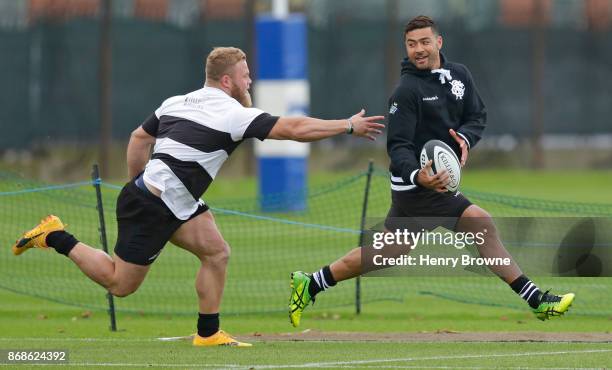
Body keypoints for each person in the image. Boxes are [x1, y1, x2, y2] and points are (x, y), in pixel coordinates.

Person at [11, 47, 384, 347]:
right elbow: (292, 128)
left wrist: (139, 181)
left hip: (173, 201)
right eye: (245, 74)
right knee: (119, 284)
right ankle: (55, 235)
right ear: (227, 80)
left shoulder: (178, 101)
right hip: (155, 205)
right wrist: (347, 125)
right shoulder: (233, 115)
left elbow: (139, 138)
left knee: (217, 252)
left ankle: (207, 333)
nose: (249, 78)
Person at [288, 16, 574, 327]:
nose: (418, 49)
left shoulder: (459, 75)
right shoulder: (406, 92)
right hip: (418, 188)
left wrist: (465, 139)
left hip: (434, 184)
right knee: (481, 223)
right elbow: (398, 146)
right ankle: (537, 301)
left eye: (425, 42)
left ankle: (312, 282)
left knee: (388, 252)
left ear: (439, 42)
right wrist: (417, 176)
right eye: (411, 44)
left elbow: (476, 115)